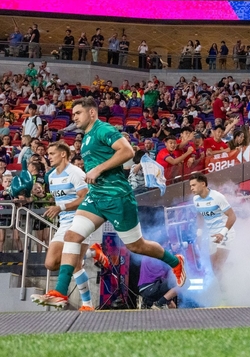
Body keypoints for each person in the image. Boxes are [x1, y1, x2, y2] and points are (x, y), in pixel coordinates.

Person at [30, 97, 186, 309]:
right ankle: (60, 292)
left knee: (137, 246)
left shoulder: (103, 129)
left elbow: (128, 151)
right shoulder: (86, 137)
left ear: (91, 113)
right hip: (95, 197)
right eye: (73, 114)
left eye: (78, 113)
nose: (74, 117)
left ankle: (175, 262)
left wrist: (98, 169)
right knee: (72, 236)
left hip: (116, 197)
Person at [38, 142, 97, 310]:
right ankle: (92, 253)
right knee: (50, 263)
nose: (49, 157)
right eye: (48, 153)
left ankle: (87, 304)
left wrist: (61, 207)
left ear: (63, 154)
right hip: (63, 222)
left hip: (80, 220)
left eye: (52, 153)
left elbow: (85, 198)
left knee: (75, 264)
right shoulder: (51, 176)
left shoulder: (76, 173)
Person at [190, 174, 237, 281]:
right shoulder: (196, 199)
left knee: (218, 265)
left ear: (203, 184)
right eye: (190, 186)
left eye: (194, 185)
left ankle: (229, 288)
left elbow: (232, 216)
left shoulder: (217, 197)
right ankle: (231, 271)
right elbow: (200, 215)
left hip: (225, 234)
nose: (191, 188)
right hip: (212, 236)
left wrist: (222, 233)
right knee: (215, 270)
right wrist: (199, 234)